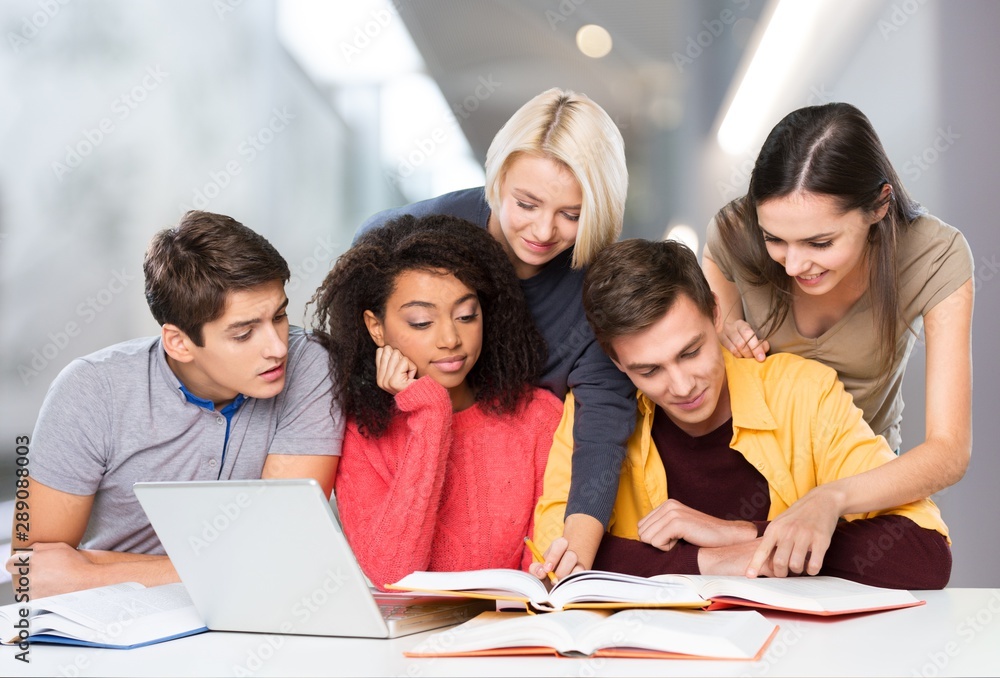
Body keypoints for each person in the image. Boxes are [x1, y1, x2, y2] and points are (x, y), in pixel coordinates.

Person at [532, 239, 951, 589]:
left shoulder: (804, 392)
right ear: (617, 362)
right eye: (649, 370)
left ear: (716, 313)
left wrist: (744, 534)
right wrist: (715, 561)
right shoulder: (594, 413)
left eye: (690, 352)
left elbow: (924, 555)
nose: (681, 387)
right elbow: (558, 559)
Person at [356, 88, 635, 571]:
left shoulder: (594, 289)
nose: (544, 231)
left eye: (571, 215)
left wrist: (577, 544)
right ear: (499, 177)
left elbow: (603, 423)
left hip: (521, 501)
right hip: (410, 476)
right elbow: (361, 288)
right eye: (526, 203)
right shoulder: (423, 230)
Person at [10, 211, 343, 598]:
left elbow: (279, 549)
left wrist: (92, 570)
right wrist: (227, 570)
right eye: (244, 333)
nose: (278, 347)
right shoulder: (91, 389)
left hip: (255, 612)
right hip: (117, 621)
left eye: (280, 315)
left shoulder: (311, 363)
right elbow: (32, 566)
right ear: (179, 343)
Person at [702, 102, 972, 576]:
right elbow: (700, 336)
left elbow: (949, 450)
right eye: (775, 240)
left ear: (879, 205)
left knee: (910, 570)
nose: (791, 265)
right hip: (747, 483)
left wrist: (831, 499)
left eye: (819, 243)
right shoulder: (734, 233)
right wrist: (721, 328)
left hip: (857, 492)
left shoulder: (935, 255)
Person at [311, 214, 563, 590]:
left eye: (466, 315)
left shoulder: (538, 417)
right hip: (406, 644)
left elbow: (542, 577)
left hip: (514, 637)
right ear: (375, 326)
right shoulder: (361, 432)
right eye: (421, 322)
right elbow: (393, 575)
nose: (450, 338)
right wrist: (430, 413)